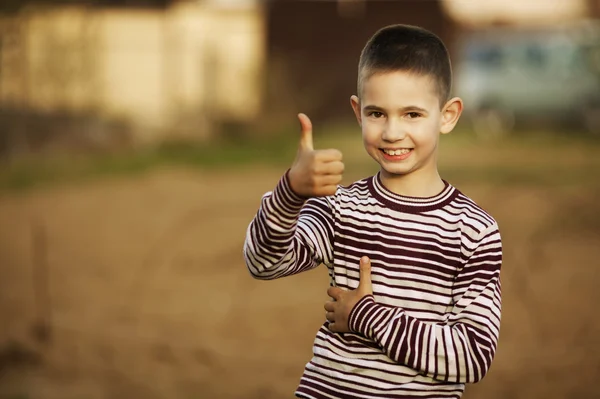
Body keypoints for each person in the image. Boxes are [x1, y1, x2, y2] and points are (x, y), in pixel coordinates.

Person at [243, 24, 502, 399]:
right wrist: (290, 192)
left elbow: (473, 355)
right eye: (377, 113)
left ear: (448, 115)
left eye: (412, 114)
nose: (392, 132)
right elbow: (263, 263)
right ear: (357, 112)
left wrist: (365, 316)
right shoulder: (339, 208)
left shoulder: (473, 230)